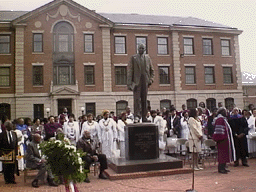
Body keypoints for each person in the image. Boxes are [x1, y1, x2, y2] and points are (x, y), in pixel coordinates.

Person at [127, 43, 154, 122]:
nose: (141, 49)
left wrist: (151, 80)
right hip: (136, 83)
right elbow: (130, 71)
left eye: (143, 48)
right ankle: (137, 117)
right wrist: (129, 83)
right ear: (137, 49)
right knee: (137, 100)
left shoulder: (148, 58)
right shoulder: (133, 58)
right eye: (140, 48)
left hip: (145, 82)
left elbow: (152, 71)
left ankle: (144, 117)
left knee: (144, 100)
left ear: (145, 49)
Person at [213, 108, 236, 174]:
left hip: (225, 139)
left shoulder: (223, 119)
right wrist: (221, 138)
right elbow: (219, 130)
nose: (226, 112)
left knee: (225, 154)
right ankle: (221, 168)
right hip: (222, 140)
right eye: (225, 111)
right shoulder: (220, 119)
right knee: (222, 154)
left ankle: (224, 167)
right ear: (222, 112)